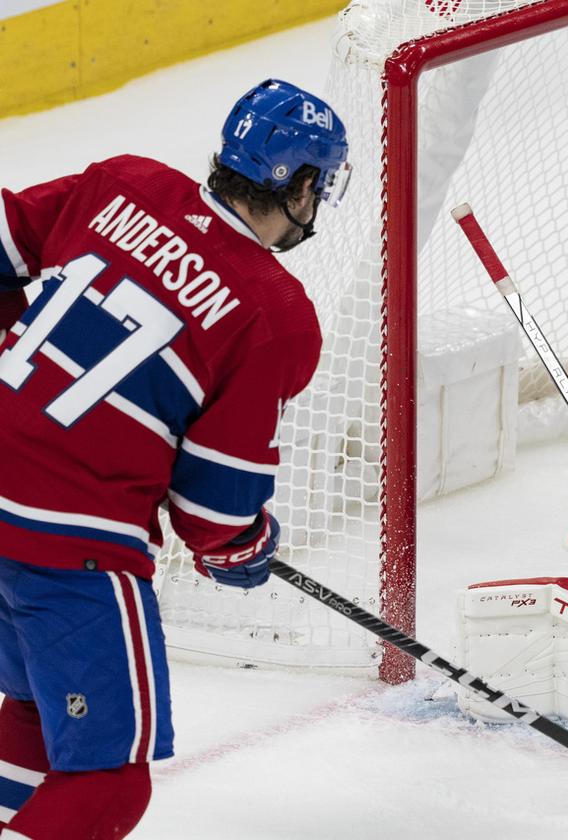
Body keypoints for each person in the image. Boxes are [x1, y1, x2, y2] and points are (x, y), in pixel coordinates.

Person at [0, 78, 348, 838]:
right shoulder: (275, 314)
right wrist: (243, 550)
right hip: (68, 542)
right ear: (301, 184)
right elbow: (214, 508)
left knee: (34, 706)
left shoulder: (124, 182)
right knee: (107, 784)